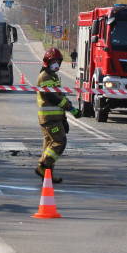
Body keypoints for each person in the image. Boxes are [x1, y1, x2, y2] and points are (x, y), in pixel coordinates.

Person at [35, 47, 81, 183]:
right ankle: (42, 166)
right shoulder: (45, 76)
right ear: (47, 62)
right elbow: (53, 97)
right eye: (53, 61)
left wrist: (64, 119)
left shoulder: (53, 76)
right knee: (60, 142)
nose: (56, 64)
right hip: (49, 119)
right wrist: (71, 108)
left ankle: (47, 174)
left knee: (49, 145)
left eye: (58, 61)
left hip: (55, 118)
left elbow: (60, 95)